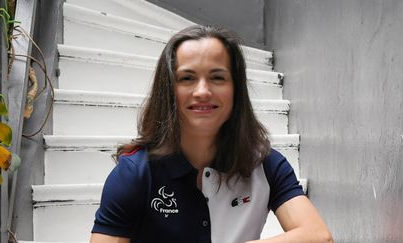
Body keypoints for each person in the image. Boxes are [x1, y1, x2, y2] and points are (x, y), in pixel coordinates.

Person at [90, 25, 333, 243]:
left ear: (235, 90)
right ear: (169, 90)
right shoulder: (134, 173)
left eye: (217, 77)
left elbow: (318, 236)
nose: (203, 91)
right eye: (187, 78)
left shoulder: (266, 163)